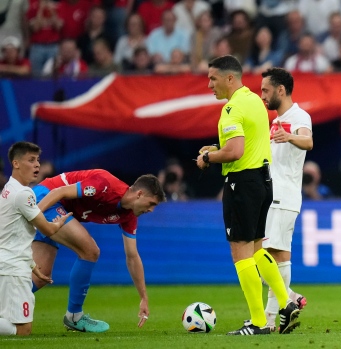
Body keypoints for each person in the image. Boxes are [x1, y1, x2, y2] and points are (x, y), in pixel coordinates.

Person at [195, 55, 300, 335]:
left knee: (240, 253)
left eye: (213, 79)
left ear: (230, 78)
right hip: (264, 182)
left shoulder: (231, 109)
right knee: (256, 250)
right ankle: (286, 302)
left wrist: (208, 157)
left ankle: (257, 322)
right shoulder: (254, 100)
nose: (209, 85)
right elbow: (247, 142)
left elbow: (235, 152)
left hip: (242, 184)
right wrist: (218, 148)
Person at [31, 170, 166, 333]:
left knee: (40, 276)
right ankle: (74, 316)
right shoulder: (105, 185)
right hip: (46, 198)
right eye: (151, 204)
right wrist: (31, 217)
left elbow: (132, 255)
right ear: (139, 194)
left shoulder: (129, 215)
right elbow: (59, 191)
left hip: (58, 211)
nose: (151, 210)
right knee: (90, 251)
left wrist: (143, 297)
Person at [260, 67, 313, 330]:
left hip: (283, 194)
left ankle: (271, 318)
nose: (262, 96)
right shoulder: (273, 121)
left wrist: (289, 136)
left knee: (269, 256)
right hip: (272, 195)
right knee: (268, 257)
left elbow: (308, 141)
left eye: (266, 90)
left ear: (281, 90)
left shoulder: (299, 116)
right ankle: (288, 299)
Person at [1, 142, 71, 336]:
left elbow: (15, 236)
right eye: (31, 160)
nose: (37, 165)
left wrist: (33, 266)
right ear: (16, 163)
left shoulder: (8, 189)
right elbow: (47, 229)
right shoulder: (24, 194)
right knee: (23, 330)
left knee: (9, 324)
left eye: (38, 160)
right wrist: (59, 223)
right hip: (13, 271)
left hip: (8, 265)